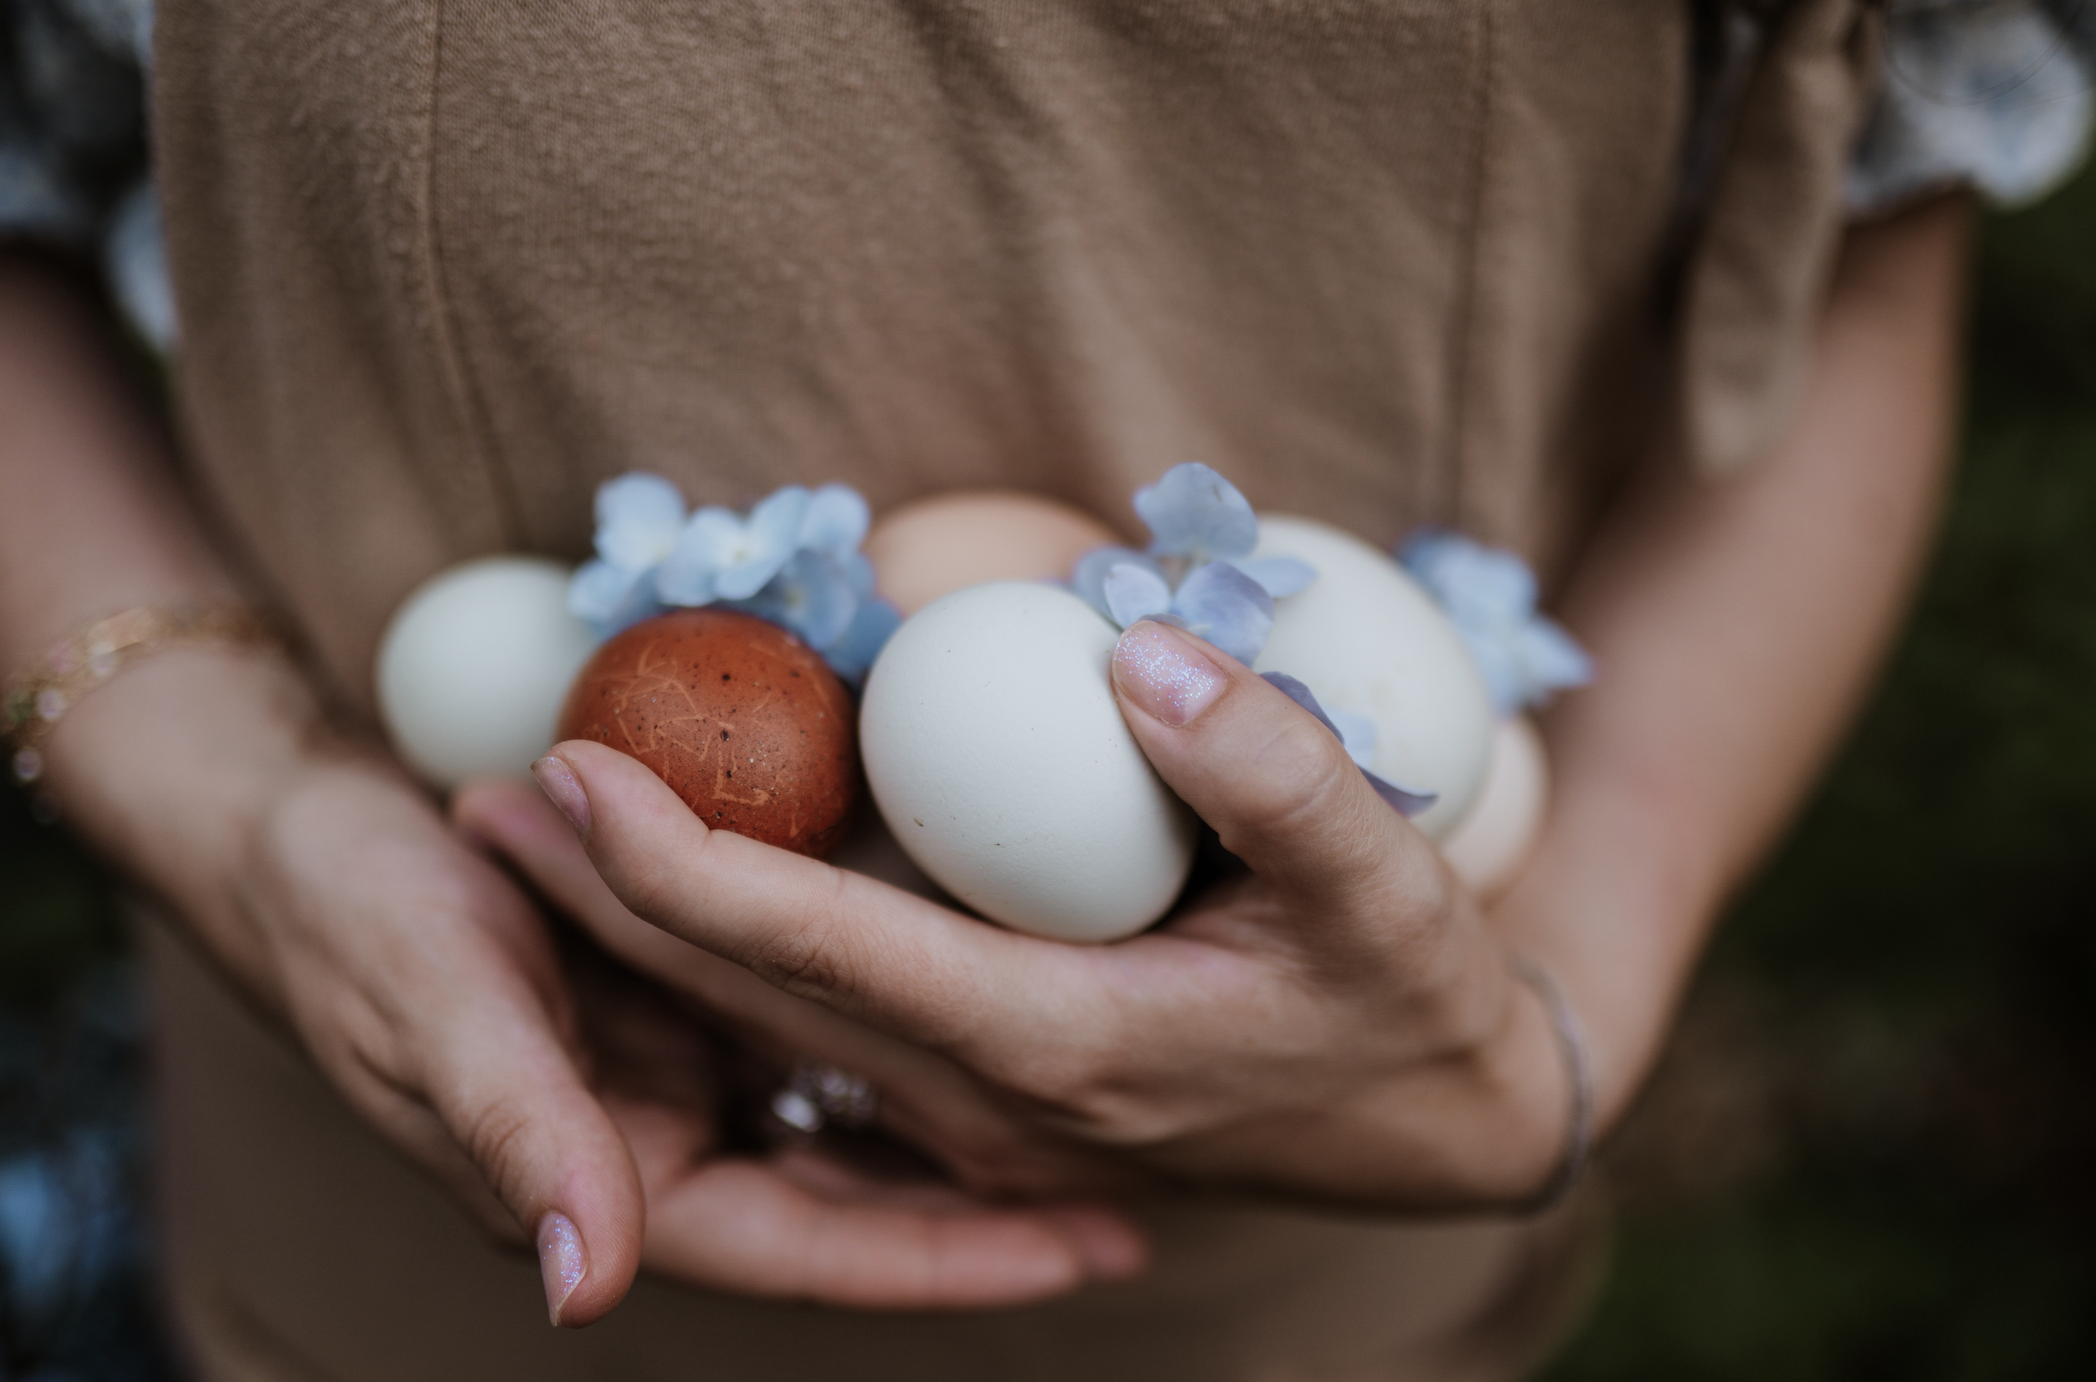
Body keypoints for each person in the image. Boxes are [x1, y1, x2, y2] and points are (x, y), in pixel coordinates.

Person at [2, 0, 2090, 1377]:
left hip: (1294, 1301)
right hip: (365, 1265)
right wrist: (230, 793)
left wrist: (1570, 994)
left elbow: (1863, 230)